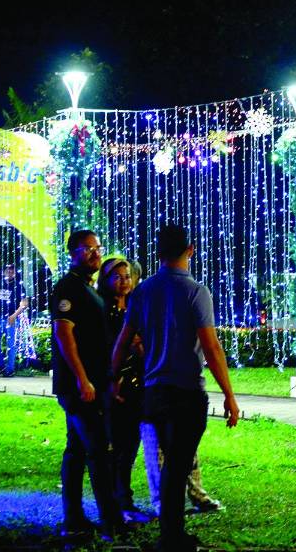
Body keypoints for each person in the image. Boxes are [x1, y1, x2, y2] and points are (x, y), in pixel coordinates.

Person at [112, 225, 239, 552]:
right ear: (191, 250)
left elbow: (123, 341)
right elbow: (211, 348)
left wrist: (112, 378)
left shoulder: (142, 293)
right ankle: (171, 537)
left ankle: (173, 533)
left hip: (154, 393)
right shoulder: (196, 292)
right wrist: (229, 396)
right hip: (186, 392)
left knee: (173, 464)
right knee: (178, 465)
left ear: (158, 253)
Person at [51, 229, 127, 540]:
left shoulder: (88, 288)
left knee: (77, 451)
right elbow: (64, 336)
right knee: (98, 450)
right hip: (79, 386)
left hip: (91, 383)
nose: (95, 254)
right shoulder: (68, 288)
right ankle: (111, 523)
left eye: (97, 248)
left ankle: (74, 519)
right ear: (72, 253)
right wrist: (82, 378)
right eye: (87, 249)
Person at [98, 257, 148, 522]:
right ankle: (116, 500)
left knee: (130, 445)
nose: (124, 281)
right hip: (114, 384)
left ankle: (124, 496)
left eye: (127, 276)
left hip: (137, 384)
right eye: (117, 277)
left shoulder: (136, 307)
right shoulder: (103, 311)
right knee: (115, 446)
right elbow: (107, 347)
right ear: (105, 281)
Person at [0, 263, 28, 377]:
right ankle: (1, 366)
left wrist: (14, 315)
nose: (10, 273)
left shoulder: (19, 286)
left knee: (11, 345)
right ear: (4, 272)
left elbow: (24, 303)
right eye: (8, 271)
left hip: (11, 320)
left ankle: (10, 369)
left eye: (12, 271)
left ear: (14, 273)